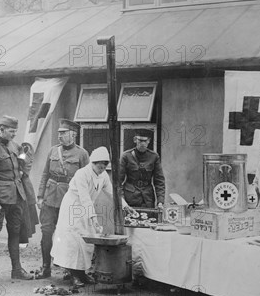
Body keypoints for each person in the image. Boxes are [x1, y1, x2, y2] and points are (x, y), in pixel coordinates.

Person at [52, 147, 132, 286]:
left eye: (104, 164)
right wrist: (94, 218)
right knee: (73, 241)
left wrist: (125, 205)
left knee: (86, 242)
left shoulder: (103, 176)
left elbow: (112, 193)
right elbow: (84, 198)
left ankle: (82, 274)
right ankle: (73, 275)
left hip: (87, 210)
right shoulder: (82, 173)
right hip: (73, 207)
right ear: (92, 162)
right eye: (98, 164)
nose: (101, 167)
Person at [0, 115, 33, 285]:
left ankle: (16, 270)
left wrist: (25, 163)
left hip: (17, 197)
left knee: (15, 233)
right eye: (11, 131)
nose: (14, 134)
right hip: (0, 200)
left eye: (15, 131)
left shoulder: (16, 147)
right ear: (1, 129)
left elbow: (24, 166)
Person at [36, 119, 89, 279]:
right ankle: (46, 267)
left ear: (73, 134)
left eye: (63, 133)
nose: (60, 136)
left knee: (69, 235)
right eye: (59, 133)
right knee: (46, 233)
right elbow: (45, 174)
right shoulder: (53, 151)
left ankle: (70, 270)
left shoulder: (82, 154)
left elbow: (86, 179)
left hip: (70, 199)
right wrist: (40, 196)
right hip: (50, 197)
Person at [118, 129, 165, 209]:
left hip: (147, 199)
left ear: (149, 141)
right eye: (140, 140)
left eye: (145, 141)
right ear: (135, 140)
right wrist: (122, 201)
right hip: (130, 199)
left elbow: (159, 181)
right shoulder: (126, 156)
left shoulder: (154, 157)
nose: (142, 143)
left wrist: (160, 202)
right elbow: (118, 182)